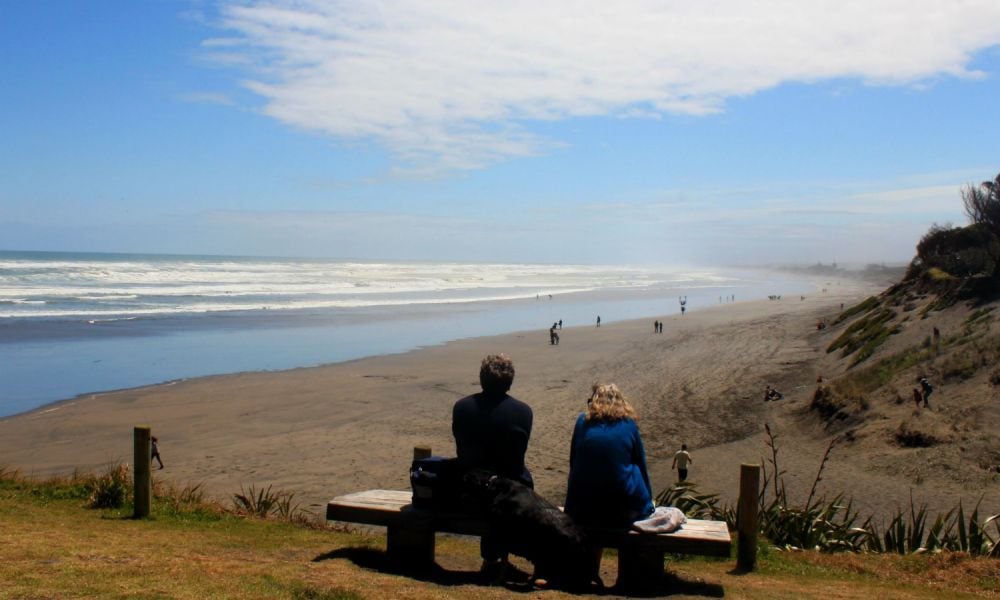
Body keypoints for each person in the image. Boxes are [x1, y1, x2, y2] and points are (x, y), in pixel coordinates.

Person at [452, 354, 534, 569]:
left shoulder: (462, 407)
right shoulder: (524, 411)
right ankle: (495, 559)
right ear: (510, 381)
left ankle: (491, 559)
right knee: (510, 482)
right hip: (513, 488)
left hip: (471, 489)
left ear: (482, 378)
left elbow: (462, 449)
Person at [564, 383, 653, 530]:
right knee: (632, 466)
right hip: (621, 508)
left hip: (584, 506)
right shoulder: (628, 423)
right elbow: (640, 461)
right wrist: (647, 503)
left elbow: (573, 460)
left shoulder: (582, 421)